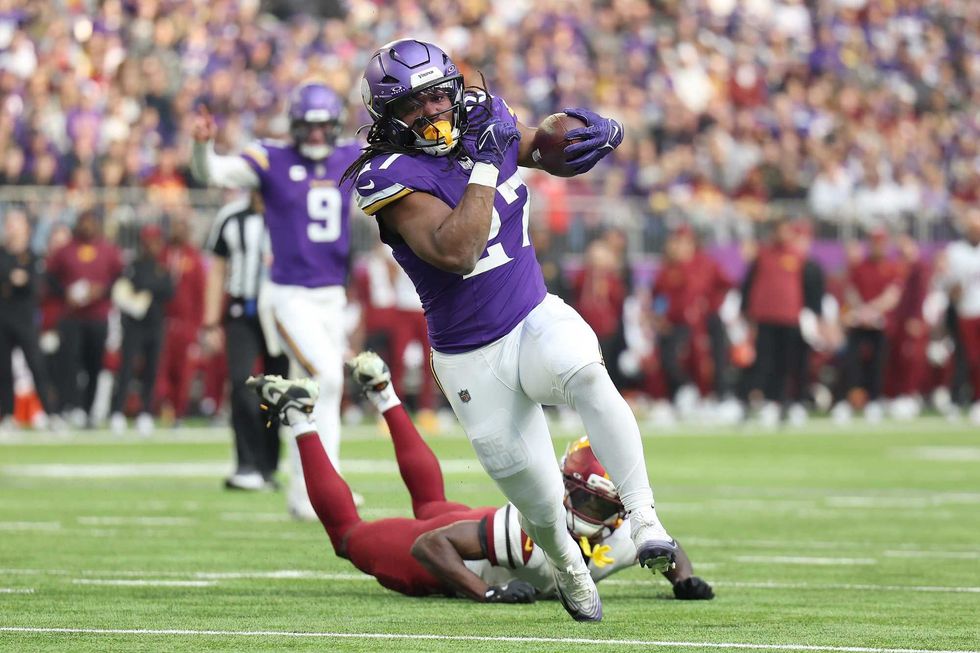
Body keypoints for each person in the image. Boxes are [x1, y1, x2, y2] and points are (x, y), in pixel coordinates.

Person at [347, 39, 675, 621]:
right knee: (544, 509)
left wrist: (584, 133)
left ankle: (646, 517)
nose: (431, 113)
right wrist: (479, 161)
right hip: (473, 359)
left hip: (531, 314)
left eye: (436, 97)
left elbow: (541, 147)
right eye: (412, 106)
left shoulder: (482, 117)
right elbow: (458, 250)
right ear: (387, 118)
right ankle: (571, 570)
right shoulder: (385, 176)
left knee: (587, 374)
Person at [247, 351, 713, 605]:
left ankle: (384, 392)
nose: (569, 500)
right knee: (350, 538)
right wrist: (483, 592)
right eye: (569, 487)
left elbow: (668, 549)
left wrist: (683, 580)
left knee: (431, 503)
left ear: (614, 509)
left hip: (475, 535)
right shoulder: (533, 533)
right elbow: (427, 547)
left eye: (582, 497)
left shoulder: (622, 534)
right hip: (459, 557)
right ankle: (299, 417)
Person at [190, 79, 362, 519]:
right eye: (310, 127)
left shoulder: (350, 156)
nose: (318, 136)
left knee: (315, 388)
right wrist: (202, 148)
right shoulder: (273, 158)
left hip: (331, 298)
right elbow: (213, 173)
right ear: (295, 127)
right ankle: (327, 489)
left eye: (325, 127)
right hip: (288, 296)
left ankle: (309, 494)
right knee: (328, 378)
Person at [204, 194, 289, 490]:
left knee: (275, 391)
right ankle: (246, 463)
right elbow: (217, 269)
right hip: (242, 310)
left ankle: (267, 464)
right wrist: (210, 321)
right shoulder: (231, 216)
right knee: (241, 383)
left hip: (281, 312)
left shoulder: (289, 209)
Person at [45, 210, 123, 427]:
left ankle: (88, 410)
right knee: (69, 363)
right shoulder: (65, 251)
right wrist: (65, 293)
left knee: (94, 364)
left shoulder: (108, 250)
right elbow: (50, 278)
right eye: (84, 223)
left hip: (98, 315)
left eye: (91, 223)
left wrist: (102, 291)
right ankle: (71, 406)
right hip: (71, 316)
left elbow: (120, 278)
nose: (87, 227)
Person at [108, 224, 173, 436]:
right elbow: (126, 288)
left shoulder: (162, 267)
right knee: (126, 369)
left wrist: (148, 287)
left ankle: (146, 412)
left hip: (155, 326)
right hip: (134, 326)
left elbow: (169, 290)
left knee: (151, 371)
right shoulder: (134, 265)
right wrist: (150, 287)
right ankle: (117, 411)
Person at [0, 208, 57, 429]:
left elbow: (34, 285)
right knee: (3, 369)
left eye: (16, 222)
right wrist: (12, 278)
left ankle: (51, 414)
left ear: (26, 227)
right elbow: (10, 276)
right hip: (3, 317)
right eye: (9, 222)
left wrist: (16, 280)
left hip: (24, 318)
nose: (12, 227)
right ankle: (7, 415)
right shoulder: (3, 254)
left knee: (37, 366)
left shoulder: (33, 256)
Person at [155, 214, 205, 427]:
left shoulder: (194, 258)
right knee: (161, 369)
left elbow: (200, 294)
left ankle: (179, 413)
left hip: (186, 325)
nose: (177, 233)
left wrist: (198, 327)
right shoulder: (162, 255)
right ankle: (163, 407)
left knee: (184, 371)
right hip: (164, 323)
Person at [939, 207, 980, 423]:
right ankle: (957, 400)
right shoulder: (956, 251)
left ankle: (976, 400)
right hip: (965, 311)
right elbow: (948, 285)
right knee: (965, 358)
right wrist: (955, 288)